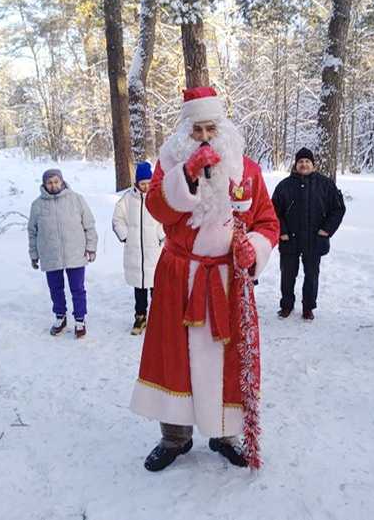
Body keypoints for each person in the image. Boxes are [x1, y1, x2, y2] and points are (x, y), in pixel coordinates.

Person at [129, 86, 279, 471]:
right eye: (197, 130)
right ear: (184, 132)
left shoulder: (246, 170)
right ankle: (174, 437)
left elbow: (266, 221)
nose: (205, 137)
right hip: (180, 276)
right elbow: (160, 209)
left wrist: (256, 249)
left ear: (223, 128)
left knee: (227, 358)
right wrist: (188, 175)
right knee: (173, 355)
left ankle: (225, 433)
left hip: (227, 281)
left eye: (211, 127)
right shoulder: (169, 164)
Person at [271, 148, 345, 321]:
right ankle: (286, 305)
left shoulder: (325, 184)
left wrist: (326, 230)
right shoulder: (284, 186)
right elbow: (273, 211)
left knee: (312, 275)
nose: (304, 165)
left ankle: (308, 307)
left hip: (314, 238)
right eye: (300, 162)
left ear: (313, 165)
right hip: (290, 238)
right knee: (288, 274)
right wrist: (282, 232)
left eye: (307, 162)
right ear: (296, 165)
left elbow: (338, 209)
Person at [28, 169, 98, 339]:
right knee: (55, 289)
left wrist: (91, 247)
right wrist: (34, 254)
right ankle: (60, 317)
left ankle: (80, 319)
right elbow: (32, 232)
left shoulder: (76, 199)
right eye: (49, 182)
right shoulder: (37, 205)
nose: (53, 185)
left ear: (62, 181)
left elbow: (89, 224)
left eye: (56, 181)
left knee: (78, 289)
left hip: (75, 253)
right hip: (50, 254)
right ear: (44, 184)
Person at [112, 161, 164, 335]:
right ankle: (140, 316)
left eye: (149, 183)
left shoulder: (157, 197)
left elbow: (165, 219)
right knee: (139, 287)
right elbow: (117, 220)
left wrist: (160, 235)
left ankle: (158, 318)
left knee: (156, 287)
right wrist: (125, 236)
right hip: (135, 252)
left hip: (153, 251)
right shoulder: (127, 200)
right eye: (142, 183)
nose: (146, 186)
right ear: (137, 183)